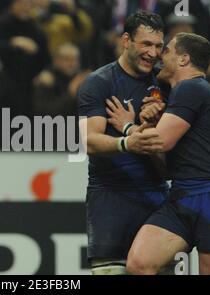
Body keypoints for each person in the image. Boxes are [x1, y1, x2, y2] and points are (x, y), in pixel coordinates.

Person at [123, 33, 210, 275]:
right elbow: (166, 163)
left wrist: (128, 127)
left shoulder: (192, 87)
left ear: (183, 59)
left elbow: (161, 141)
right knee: (139, 264)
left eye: (167, 50)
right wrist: (148, 126)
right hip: (183, 195)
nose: (160, 54)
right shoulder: (184, 93)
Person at [77, 11, 166, 275]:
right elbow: (87, 141)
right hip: (110, 197)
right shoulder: (97, 84)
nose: (153, 53)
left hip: (157, 195)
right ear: (126, 40)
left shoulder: (166, 82)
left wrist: (133, 128)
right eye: (146, 44)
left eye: (159, 46)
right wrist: (128, 143)